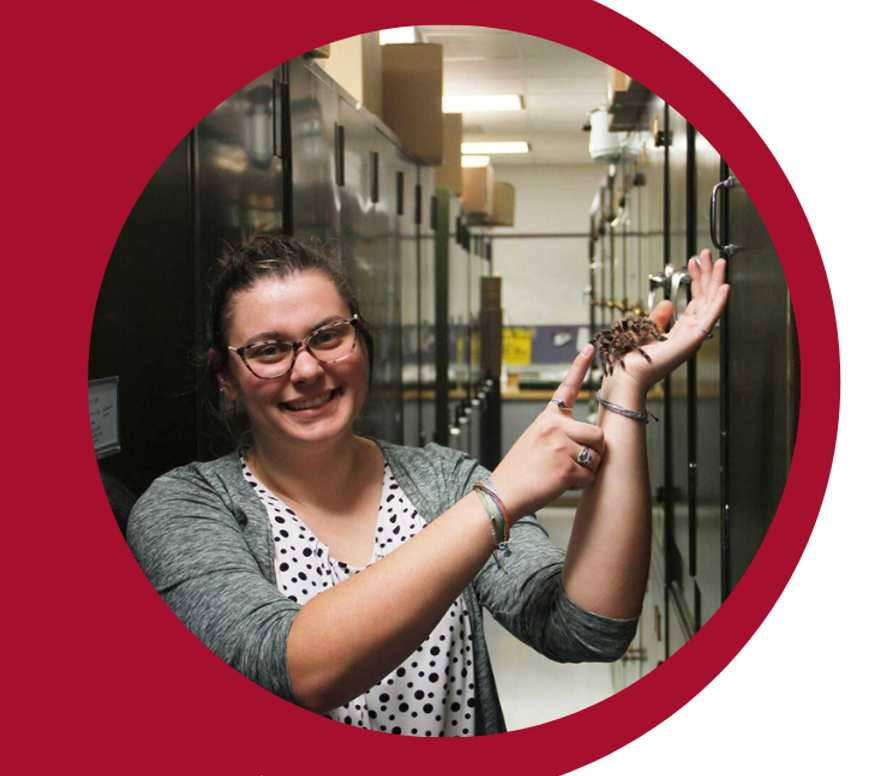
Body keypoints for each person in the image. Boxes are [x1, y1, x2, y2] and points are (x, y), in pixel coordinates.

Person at [127, 235, 729, 736]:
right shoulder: (184, 509)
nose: (306, 369)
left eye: (328, 335)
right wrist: (498, 500)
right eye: (267, 350)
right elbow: (291, 667)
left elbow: (585, 627)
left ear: (361, 342)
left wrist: (624, 394)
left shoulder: (444, 482)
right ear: (226, 377)